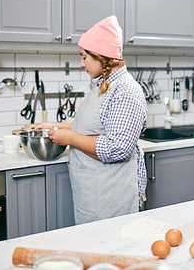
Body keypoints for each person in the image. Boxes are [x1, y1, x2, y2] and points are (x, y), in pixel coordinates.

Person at [35, 15, 147, 225]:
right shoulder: (104, 84)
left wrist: (68, 137)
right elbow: (94, 125)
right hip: (94, 191)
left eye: (85, 57)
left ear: (101, 56)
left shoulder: (126, 91)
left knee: (112, 251)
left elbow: (118, 148)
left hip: (111, 195)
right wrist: (55, 126)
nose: (81, 63)